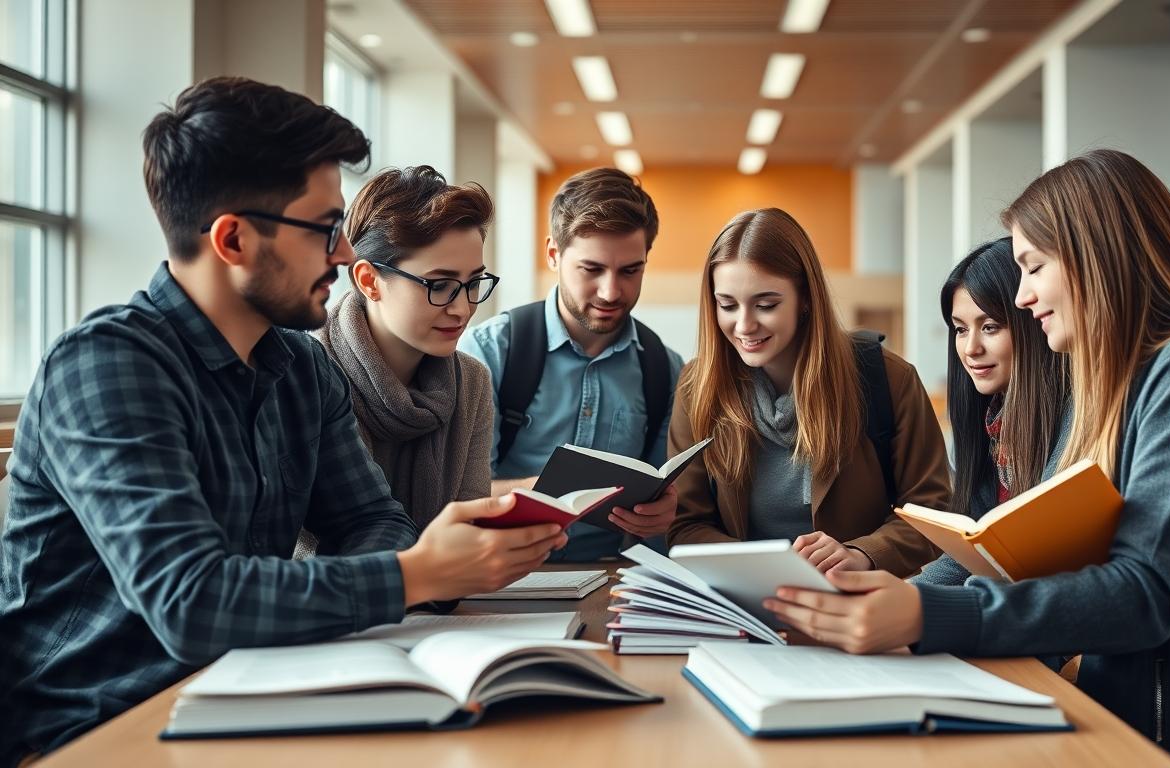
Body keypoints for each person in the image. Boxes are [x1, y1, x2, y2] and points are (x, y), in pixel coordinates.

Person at [0, 77, 563, 764]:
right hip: (92, 730)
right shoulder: (106, 366)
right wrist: (414, 575)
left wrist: (384, 575)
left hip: (250, 691)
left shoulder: (300, 367)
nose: (345, 255)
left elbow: (371, 519)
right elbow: (190, 601)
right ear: (233, 239)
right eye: (325, 229)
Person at [767, 149, 1170, 767]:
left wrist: (924, 614)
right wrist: (892, 605)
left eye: (1033, 267)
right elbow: (1021, 554)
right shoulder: (1108, 389)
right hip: (1111, 725)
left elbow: (1145, 595)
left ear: (1093, 257)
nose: (1023, 297)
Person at [665, 208, 950, 576]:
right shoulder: (697, 387)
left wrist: (862, 553)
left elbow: (934, 512)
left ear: (805, 299)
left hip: (854, 596)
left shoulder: (890, 379)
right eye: (728, 305)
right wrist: (769, 567)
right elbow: (686, 526)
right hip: (746, 593)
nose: (744, 325)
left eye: (766, 305)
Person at [459, 168, 683, 561]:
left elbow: (659, 502)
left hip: (611, 576)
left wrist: (664, 515)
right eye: (592, 269)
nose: (610, 291)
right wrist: (552, 493)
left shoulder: (665, 369)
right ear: (553, 255)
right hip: (501, 573)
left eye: (630, 271)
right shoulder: (489, 350)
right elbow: (463, 496)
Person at [312, 166, 498, 536]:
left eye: (474, 282)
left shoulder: (472, 382)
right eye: (440, 285)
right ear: (369, 280)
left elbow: (468, 532)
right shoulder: (312, 375)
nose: (462, 309)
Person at [914, 237, 1067, 587]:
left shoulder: (1074, 416)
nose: (971, 348)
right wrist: (903, 597)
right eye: (960, 329)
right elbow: (970, 550)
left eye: (990, 327)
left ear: (1033, 322)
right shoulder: (989, 422)